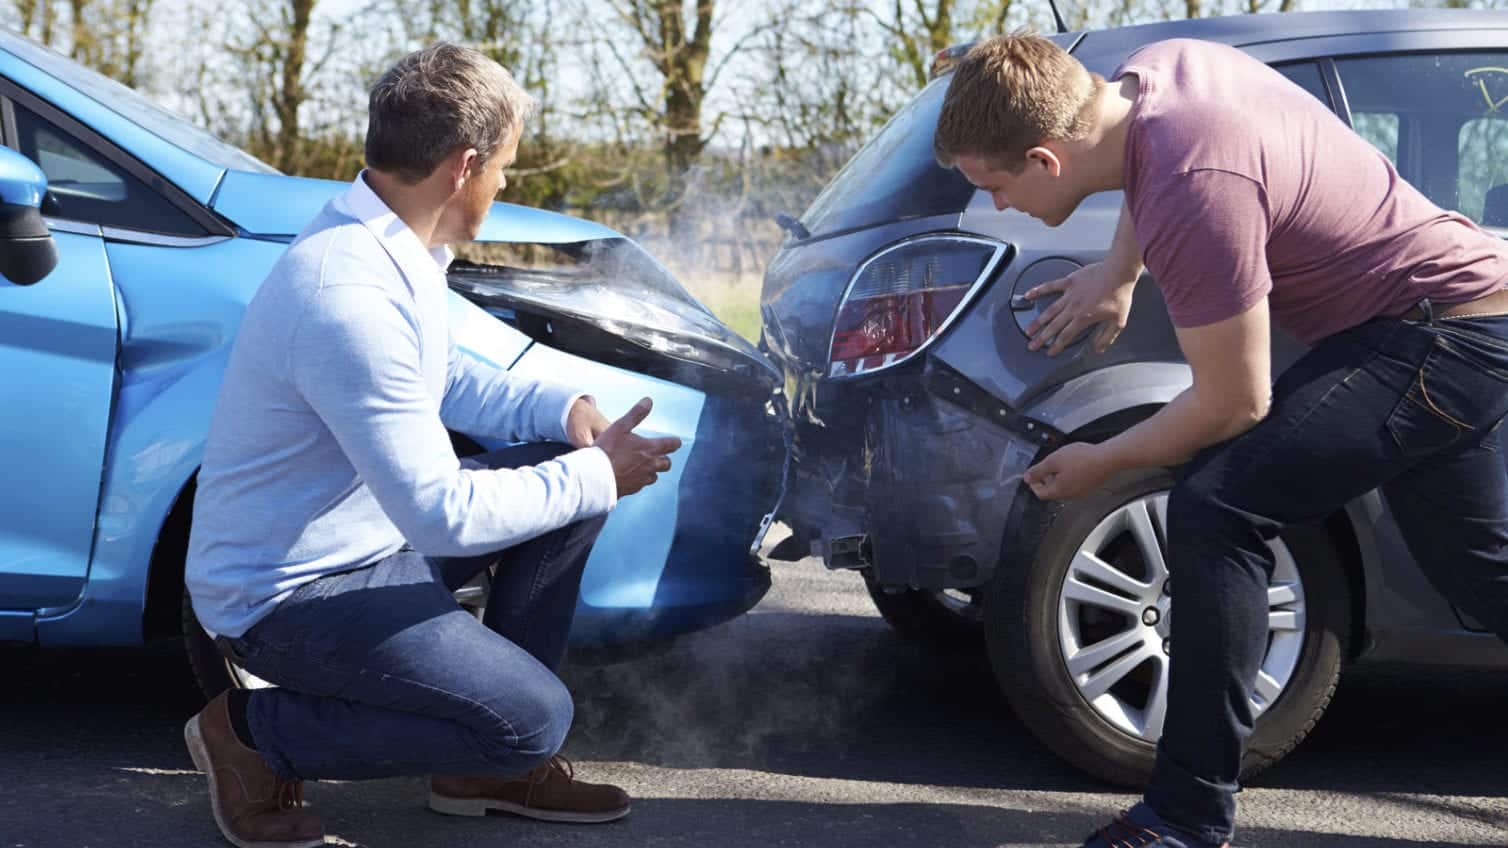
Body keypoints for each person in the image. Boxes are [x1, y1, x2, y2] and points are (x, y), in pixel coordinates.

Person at [933, 31, 1508, 848]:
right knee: (1483, 573)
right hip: (1462, 317)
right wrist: (1118, 272)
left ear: (1044, 159)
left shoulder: (1195, 184)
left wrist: (1103, 461)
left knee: (1217, 506)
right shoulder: (1159, 74)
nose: (997, 205)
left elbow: (1235, 402)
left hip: (1434, 336)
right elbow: (1147, 163)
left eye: (993, 186)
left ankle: (1185, 817)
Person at [182, 42, 681, 848]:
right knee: (533, 719)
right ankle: (251, 734)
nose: (505, 184)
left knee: (567, 490)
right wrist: (596, 475)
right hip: (287, 594)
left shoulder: (389, 244)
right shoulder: (346, 294)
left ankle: (482, 766)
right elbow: (442, 515)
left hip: (369, 546)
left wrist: (568, 413)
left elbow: (444, 379)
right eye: (506, 169)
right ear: (465, 165)